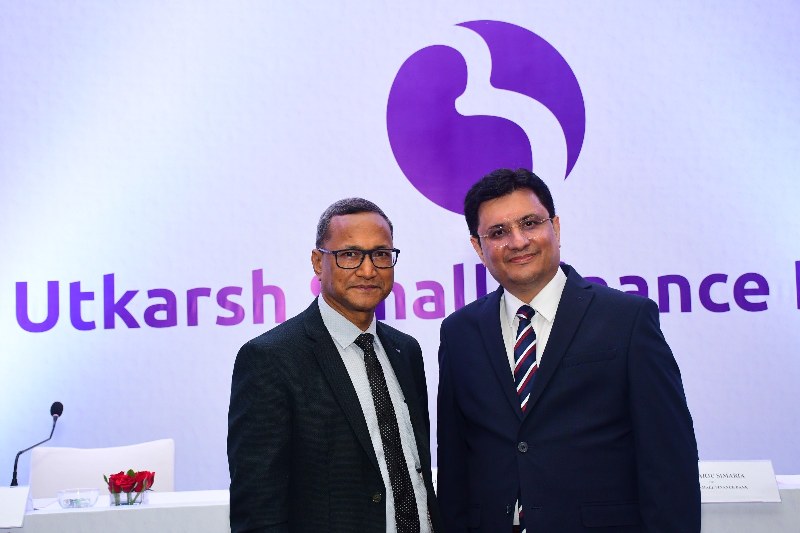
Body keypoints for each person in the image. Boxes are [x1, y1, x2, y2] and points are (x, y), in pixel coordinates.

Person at [436, 169, 700, 532]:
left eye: (530, 223)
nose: (518, 241)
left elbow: (668, 459)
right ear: (478, 247)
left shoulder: (627, 319)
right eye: (498, 232)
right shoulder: (459, 332)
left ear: (556, 227)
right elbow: (454, 463)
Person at [228, 198, 441, 533]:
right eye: (350, 254)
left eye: (381, 254)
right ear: (318, 262)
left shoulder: (406, 350)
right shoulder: (270, 359)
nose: (368, 270)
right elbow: (258, 511)